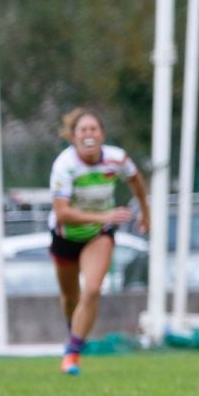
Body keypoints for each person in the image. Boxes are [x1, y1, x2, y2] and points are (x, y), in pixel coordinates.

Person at [49, 108, 150, 375]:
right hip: (66, 236)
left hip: (98, 234)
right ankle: (73, 333)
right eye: (83, 130)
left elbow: (135, 179)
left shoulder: (117, 158)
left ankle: (72, 354)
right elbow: (62, 213)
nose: (89, 134)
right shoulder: (64, 166)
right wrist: (104, 215)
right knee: (70, 297)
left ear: (102, 135)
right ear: (73, 137)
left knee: (92, 290)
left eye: (93, 129)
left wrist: (145, 211)